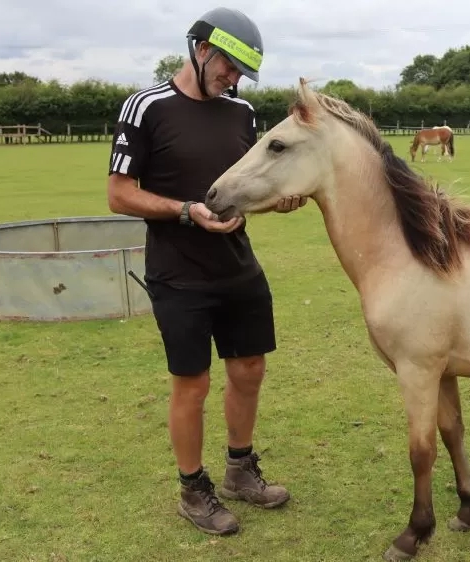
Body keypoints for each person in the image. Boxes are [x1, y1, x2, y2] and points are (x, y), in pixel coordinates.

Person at [105, 7, 306, 536]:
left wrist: (278, 200)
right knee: (191, 384)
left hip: (238, 267)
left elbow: (249, 184)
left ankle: (241, 470)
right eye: (229, 67)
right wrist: (183, 210)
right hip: (178, 273)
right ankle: (194, 491)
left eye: (241, 73)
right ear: (200, 50)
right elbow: (118, 195)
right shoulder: (146, 107)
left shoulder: (241, 112)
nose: (234, 79)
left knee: (250, 370)